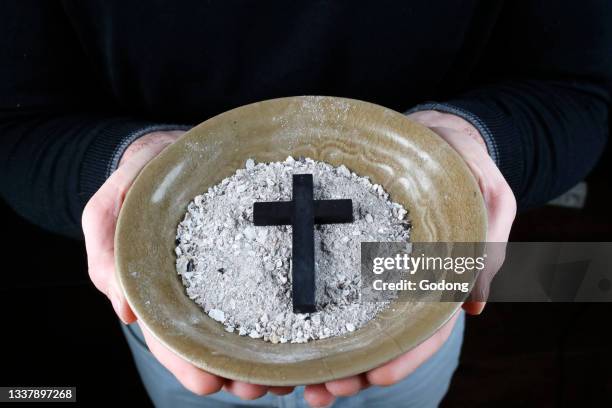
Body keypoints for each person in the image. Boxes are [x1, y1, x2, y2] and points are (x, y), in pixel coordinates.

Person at [1, 1, 610, 407]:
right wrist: (129, 164)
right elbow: (18, 125)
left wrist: (470, 143)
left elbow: (578, 87)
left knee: (404, 391)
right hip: (179, 298)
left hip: (407, 265)